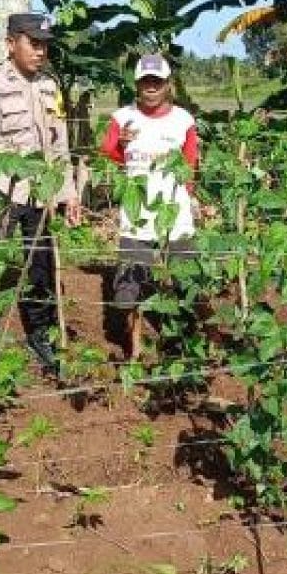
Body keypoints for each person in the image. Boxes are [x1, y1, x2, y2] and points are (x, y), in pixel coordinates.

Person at [0, 11, 81, 376]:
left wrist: (67, 192)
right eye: (33, 43)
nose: (40, 52)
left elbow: (59, 146)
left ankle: (40, 335)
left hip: (37, 194)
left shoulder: (49, 86)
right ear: (11, 43)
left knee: (40, 266)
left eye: (44, 45)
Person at [98, 54, 199, 360]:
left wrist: (190, 199)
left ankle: (180, 348)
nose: (151, 87)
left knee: (186, 281)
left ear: (167, 84)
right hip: (137, 214)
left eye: (157, 82)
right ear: (137, 84)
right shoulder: (122, 118)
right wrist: (121, 145)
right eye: (145, 82)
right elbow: (108, 155)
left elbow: (191, 164)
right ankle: (134, 351)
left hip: (175, 213)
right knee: (128, 290)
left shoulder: (184, 120)